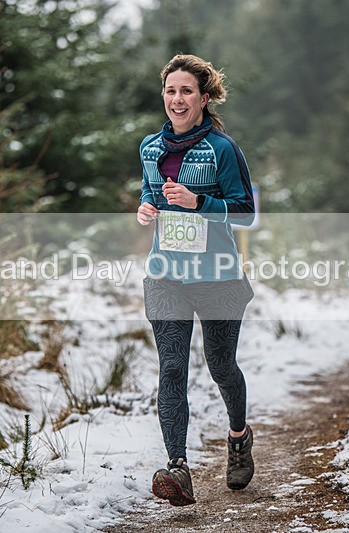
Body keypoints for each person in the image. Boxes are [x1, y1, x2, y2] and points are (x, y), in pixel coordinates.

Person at [136, 54, 256, 506]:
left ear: (205, 98)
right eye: (170, 91)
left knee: (222, 366)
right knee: (171, 369)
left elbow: (245, 212)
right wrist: (146, 208)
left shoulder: (223, 149)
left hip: (217, 278)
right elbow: (151, 193)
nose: (177, 99)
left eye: (187, 91)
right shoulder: (150, 147)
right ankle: (177, 469)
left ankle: (239, 437)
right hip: (166, 275)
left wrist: (198, 201)